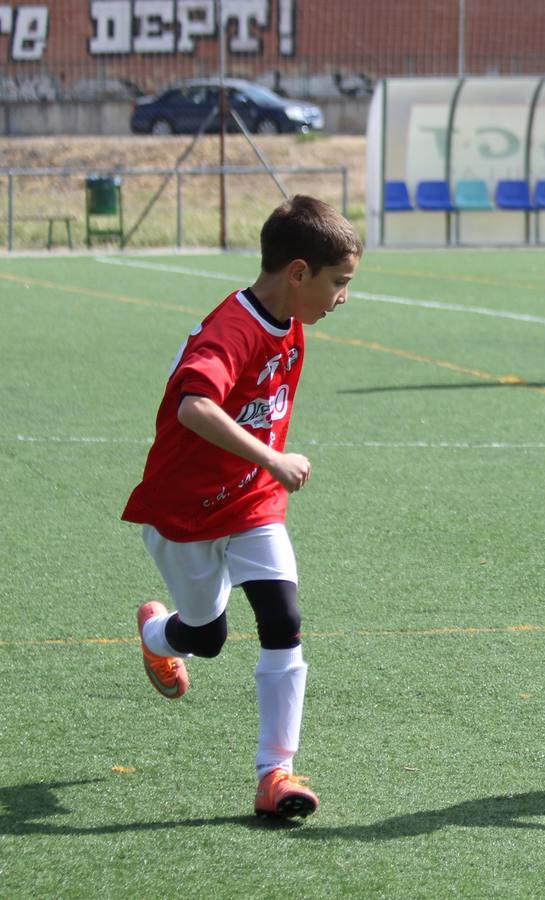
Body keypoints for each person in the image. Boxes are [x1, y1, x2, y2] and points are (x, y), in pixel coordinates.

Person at [122, 195, 362, 818]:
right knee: (206, 636)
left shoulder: (292, 321)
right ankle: (157, 634)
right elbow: (193, 407)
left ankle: (274, 775)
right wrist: (274, 458)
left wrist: (264, 473)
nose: (343, 298)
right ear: (299, 274)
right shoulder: (233, 329)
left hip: (253, 503)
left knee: (283, 617)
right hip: (185, 509)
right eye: (339, 283)